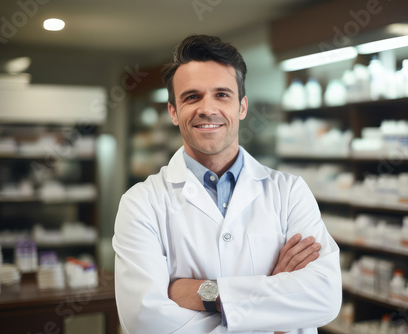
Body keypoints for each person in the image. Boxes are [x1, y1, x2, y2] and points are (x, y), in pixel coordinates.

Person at [112, 34, 341, 334]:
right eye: (191, 96)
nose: (208, 109)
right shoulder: (141, 203)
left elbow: (324, 297)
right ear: (173, 112)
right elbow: (145, 321)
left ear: (242, 107)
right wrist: (273, 307)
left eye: (222, 94)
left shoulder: (289, 192)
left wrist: (205, 293)